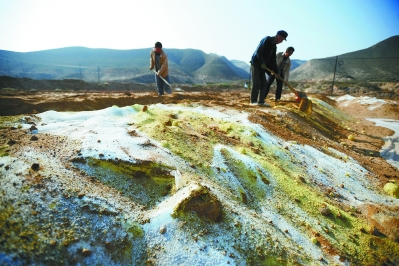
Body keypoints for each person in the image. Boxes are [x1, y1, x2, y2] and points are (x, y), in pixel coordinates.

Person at [250, 30, 288, 106]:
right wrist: (262, 63)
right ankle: (253, 101)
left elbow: (273, 60)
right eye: (283, 39)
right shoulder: (267, 39)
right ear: (279, 36)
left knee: (264, 83)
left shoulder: (274, 47)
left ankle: (261, 101)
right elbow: (259, 52)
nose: (282, 41)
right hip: (256, 64)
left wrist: (277, 73)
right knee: (256, 82)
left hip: (263, 66)